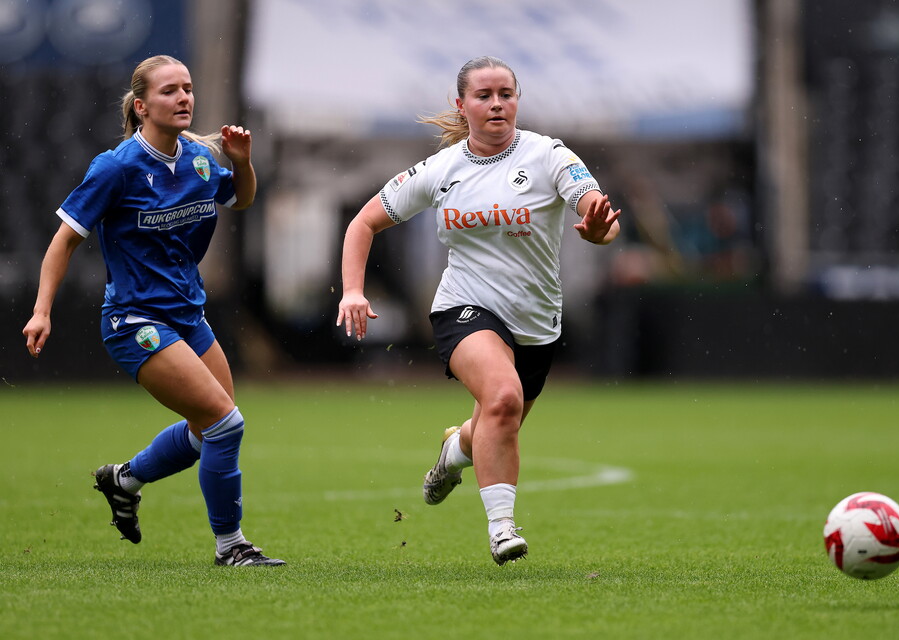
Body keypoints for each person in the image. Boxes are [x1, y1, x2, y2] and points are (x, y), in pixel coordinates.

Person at [337, 56, 621, 565]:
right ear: (461, 104)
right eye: (484, 95)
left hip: (536, 322)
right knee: (503, 397)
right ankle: (502, 529)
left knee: (496, 420)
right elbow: (363, 223)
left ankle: (453, 454)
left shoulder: (549, 155)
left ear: (517, 100)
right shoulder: (441, 169)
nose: (496, 104)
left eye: (505, 94)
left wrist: (600, 230)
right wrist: (352, 291)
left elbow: (597, 212)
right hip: (464, 307)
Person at [22, 55, 284, 567]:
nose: (184, 97)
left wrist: (243, 162)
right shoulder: (116, 167)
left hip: (189, 316)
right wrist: (41, 310)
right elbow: (63, 240)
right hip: (135, 321)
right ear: (141, 106)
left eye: (188, 88)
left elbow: (242, 200)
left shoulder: (200, 158)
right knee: (225, 424)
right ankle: (231, 546)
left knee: (210, 428)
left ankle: (124, 480)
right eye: (169, 91)